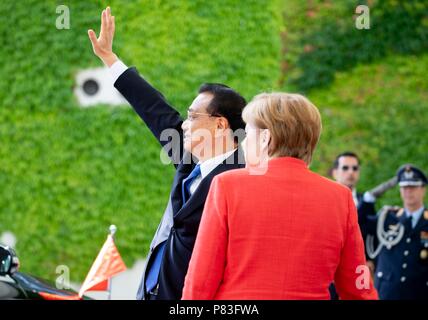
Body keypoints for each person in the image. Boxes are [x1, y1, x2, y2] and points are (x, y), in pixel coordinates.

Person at [88, 7, 246, 300]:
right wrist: (110, 59)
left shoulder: (243, 178)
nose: (184, 125)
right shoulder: (188, 159)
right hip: (149, 293)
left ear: (220, 124)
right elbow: (154, 109)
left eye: (192, 117)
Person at [182, 93, 378, 300]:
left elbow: (201, 279)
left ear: (265, 138)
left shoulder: (227, 185)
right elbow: (359, 286)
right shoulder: (341, 198)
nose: (244, 144)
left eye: (248, 135)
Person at [365, 164, 428, 299]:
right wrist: (369, 198)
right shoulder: (387, 218)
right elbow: (361, 224)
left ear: (423, 189)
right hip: (387, 293)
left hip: (419, 294)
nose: (408, 191)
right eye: (404, 187)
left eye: (413, 187)